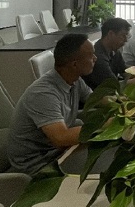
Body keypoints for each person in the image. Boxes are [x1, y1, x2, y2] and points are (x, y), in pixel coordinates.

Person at [8, 33, 96, 175]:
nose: (95, 59)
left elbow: (98, 99)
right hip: (37, 164)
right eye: (91, 56)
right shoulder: (43, 93)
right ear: (74, 64)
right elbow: (61, 137)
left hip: (58, 153)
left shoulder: (75, 80)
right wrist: (103, 126)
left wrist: (124, 104)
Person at [82, 17, 132, 89]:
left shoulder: (114, 51)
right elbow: (113, 85)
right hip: (98, 94)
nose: (126, 40)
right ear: (111, 34)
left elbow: (124, 71)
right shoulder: (97, 56)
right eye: (123, 36)